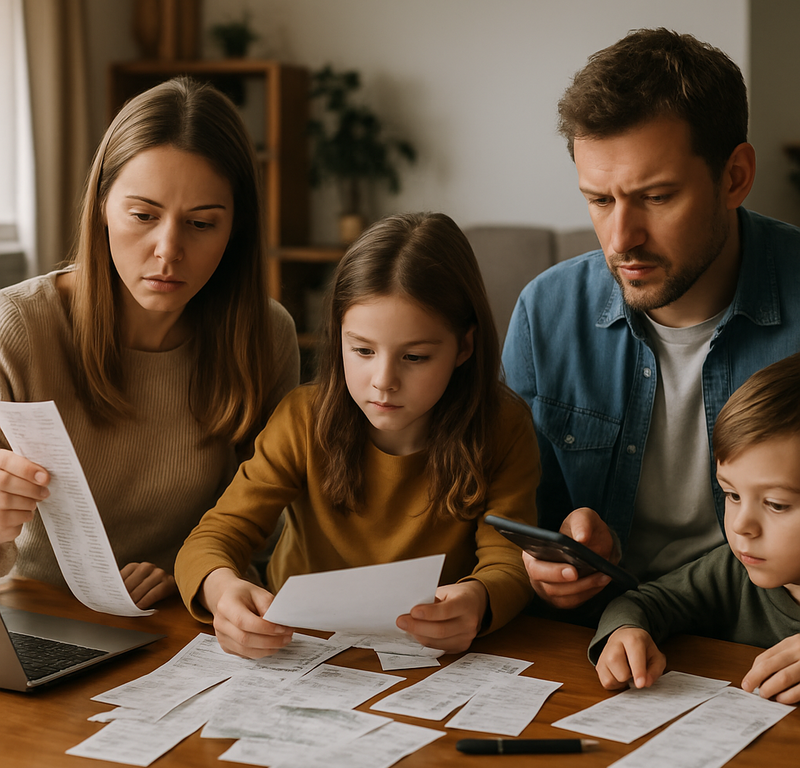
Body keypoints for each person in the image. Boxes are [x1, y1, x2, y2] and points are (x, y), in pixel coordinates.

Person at [502, 28, 800, 616]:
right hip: (603, 642)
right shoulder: (545, 315)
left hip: (762, 644)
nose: (622, 240)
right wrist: (539, 566)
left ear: (735, 176)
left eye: (658, 197)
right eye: (601, 200)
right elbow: (508, 521)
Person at [174, 211, 539, 657]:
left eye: (416, 357)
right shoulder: (301, 419)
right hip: (298, 648)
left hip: (428, 655)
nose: (383, 380)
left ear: (464, 346)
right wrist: (221, 590)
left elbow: (510, 561)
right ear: (338, 336)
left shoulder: (503, 428)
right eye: (363, 350)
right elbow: (214, 537)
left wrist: (478, 599)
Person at [0, 77, 299, 609]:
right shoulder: (16, 329)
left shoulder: (266, 336)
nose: (168, 250)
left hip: (182, 620)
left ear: (236, 230)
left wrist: (197, 578)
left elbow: (261, 531)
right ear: (100, 206)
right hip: (39, 617)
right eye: (143, 216)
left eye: (201, 223)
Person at [589, 353, 800, 705]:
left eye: (776, 504)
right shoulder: (732, 571)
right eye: (731, 494)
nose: (740, 524)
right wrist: (627, 631)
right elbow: (644, 602)